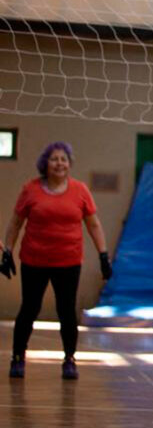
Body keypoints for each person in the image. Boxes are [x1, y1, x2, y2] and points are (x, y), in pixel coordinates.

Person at [3, 141, 113, 380]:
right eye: (54, 159)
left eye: (63, 159)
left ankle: (69, 359)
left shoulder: (80, 190)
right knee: (29, 308)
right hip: (34, 260)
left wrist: (103, 255)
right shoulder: (31, 189)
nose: (59, 163)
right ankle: (18, 357)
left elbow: (93, 225)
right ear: (45, 163)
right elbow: (15, 223)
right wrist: (7, 251)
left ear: (69, 164)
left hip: (68, 262)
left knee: (66, 311)